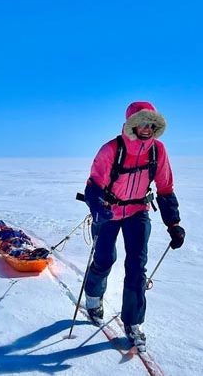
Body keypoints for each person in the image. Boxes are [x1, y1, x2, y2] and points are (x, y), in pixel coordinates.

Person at [82, 101, 185, 349]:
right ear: (132, 124)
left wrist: (174, 224)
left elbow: (165, 188)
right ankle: (94, 297)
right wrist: (98, 208)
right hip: (109, 212)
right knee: (105, 259)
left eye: (151, 123)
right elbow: (93, 186)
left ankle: (133, 322)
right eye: (142, 123)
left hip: (138, 211)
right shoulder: (111, 149)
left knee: (137, 268)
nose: (147, 128)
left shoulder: (157, 151)